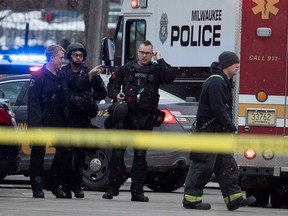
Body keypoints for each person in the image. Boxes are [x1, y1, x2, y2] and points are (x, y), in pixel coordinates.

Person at [102, 40, 175, 202]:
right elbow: (112, 84)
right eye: (142, 52)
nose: (144, 56)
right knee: (117, 153)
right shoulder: (127, 68)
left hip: (145, 119)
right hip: (127, 117)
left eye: (148, 53)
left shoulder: (157, 70)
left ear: (152, 54)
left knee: (140, 157)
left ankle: (137, 192)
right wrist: (116, 95)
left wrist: (161, 60)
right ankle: (112, 188)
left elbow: (170, 77)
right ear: (138, 52)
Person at [183, 51, 256, 210]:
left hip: (217, 132)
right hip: (208, 133)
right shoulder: (216, 83)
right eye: (235, 63)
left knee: (227, 166)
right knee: (202, 167)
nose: (238, 66)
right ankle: (191, 199)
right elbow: (219, 110)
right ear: (227, 65)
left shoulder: (222, 81)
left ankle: (233, 199)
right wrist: (232, 128)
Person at [60, 42, 107, 198]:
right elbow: (74, 86)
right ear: (69, 56)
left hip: (82, 120)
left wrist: (89, 97)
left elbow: (102, 92)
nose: (78, 57)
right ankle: (66, 186)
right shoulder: (64, 73)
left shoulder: (89, 73)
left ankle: (76, 185)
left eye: (81, 55)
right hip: (67, 120)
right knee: (66, 155)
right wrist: (88, 77)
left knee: (80, 155)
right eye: (75, 55)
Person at [28, 44, 69, 198]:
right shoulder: (38, 76)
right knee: (38, 154)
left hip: (58, 122)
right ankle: (37, 187)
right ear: (51, 58)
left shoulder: (61, 75)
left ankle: (53, 183)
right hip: (42, 122)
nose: (62, 61)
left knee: (64, 151)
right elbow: (33, 103)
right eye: (60, 57)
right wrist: (36, 126)